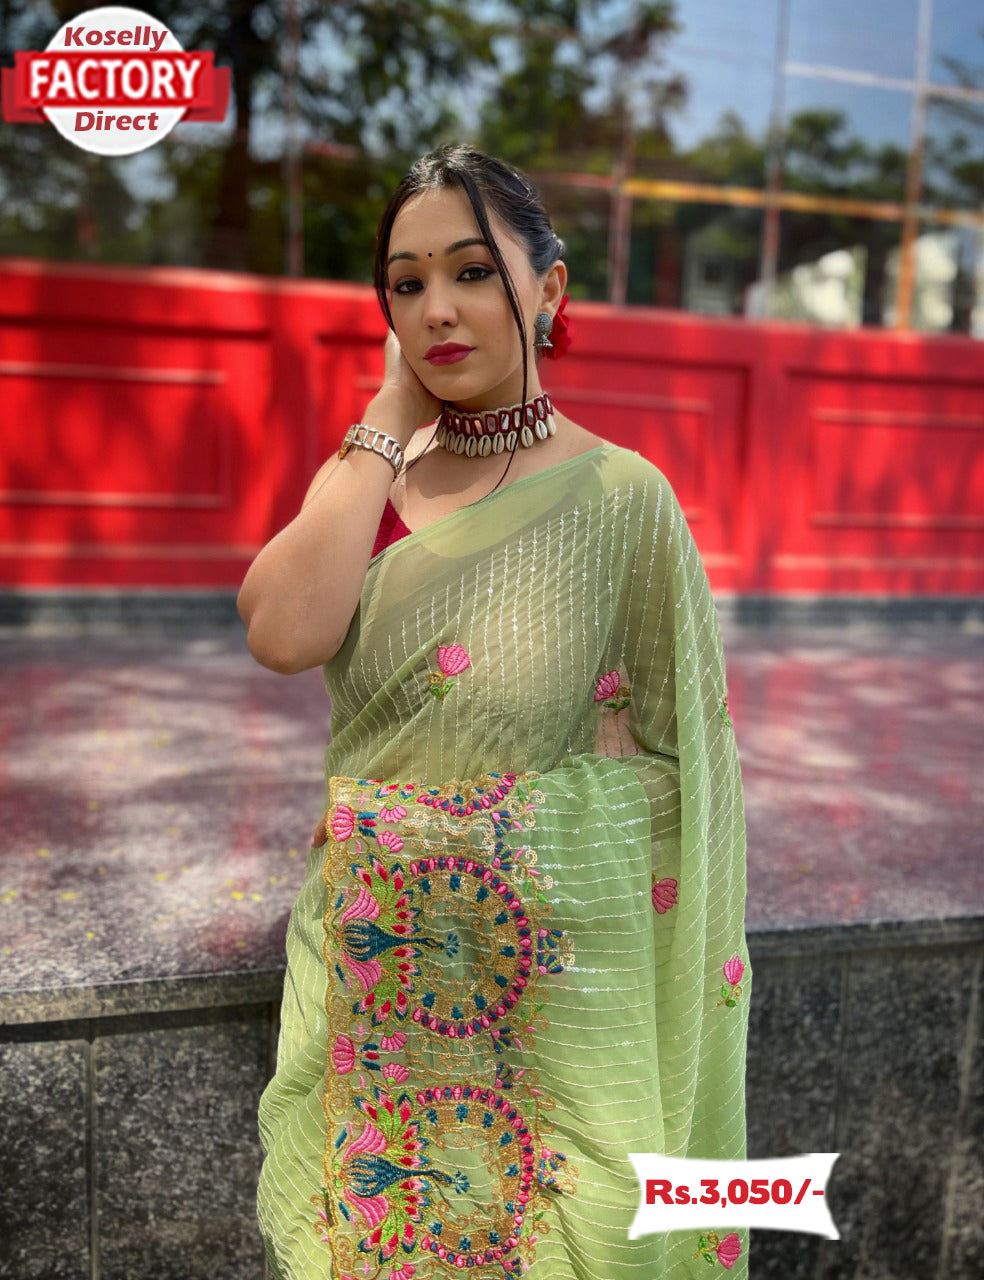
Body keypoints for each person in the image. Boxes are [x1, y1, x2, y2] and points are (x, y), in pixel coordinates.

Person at [238, 142, 751, 1280]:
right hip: (369, 981)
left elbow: (692, 780)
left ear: (548, 288)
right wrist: (387, 415)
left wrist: (467, 827)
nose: (438, 309)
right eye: (407, 283)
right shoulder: (371, 475)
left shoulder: (623, 500)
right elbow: (281, 632)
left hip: (546, 1007)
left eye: (473, 272)